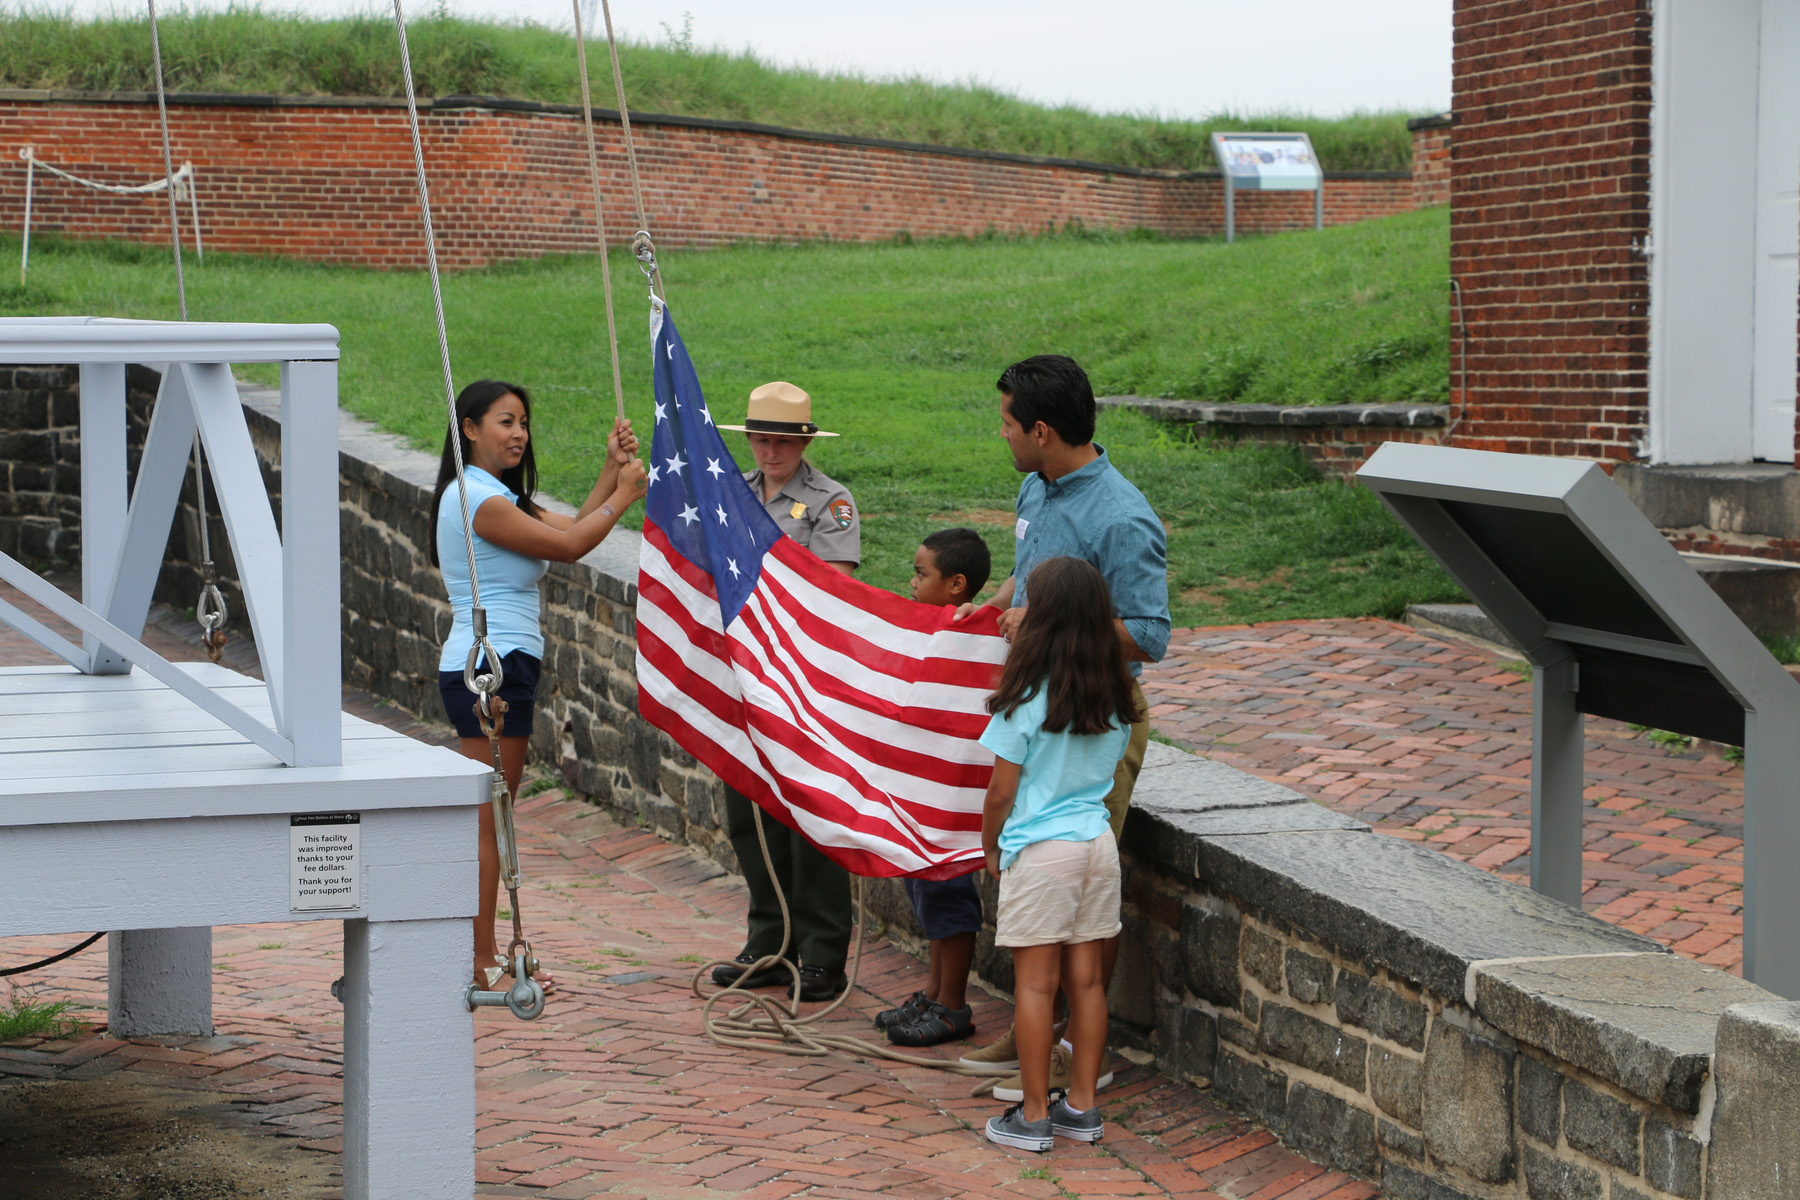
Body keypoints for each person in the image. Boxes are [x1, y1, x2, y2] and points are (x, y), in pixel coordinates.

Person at [955, 353, 1170, 1098]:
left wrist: (1043, 618)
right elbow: (1034, 569)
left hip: (1090, 718)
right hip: (1041, 707)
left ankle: (1076, 1055)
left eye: (1009, 424)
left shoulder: (1124, 516)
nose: (1003, 434)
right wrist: (999, 599)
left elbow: (1150, 633)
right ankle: (1029, 1037)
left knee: (1077, 902)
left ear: (1042, 430)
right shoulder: (1034, 485)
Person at [430, 378, 647, 991]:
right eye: (504, 422)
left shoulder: (497, 495)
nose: (519, 433)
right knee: (489, 818)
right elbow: (577, 546)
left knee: (493, 813)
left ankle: (484, 953)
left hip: (502, 662)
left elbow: (571, 524)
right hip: (490, 668)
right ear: (469, 429)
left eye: (523, 421)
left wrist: (610, 470)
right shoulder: (479, 498)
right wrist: (625, 496)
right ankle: (479, 959)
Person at [978, 556, 1142, 1151]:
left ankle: (1031, 1115)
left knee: (1035, 988)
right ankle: (1082, 1108)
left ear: (1039, 618)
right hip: (1097, 846)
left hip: (1041, 851)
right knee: (1088, 985)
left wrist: (989, 845)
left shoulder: (1024, 700)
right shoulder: (1116, 697)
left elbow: (1001, 792)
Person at [710, 381, 861, 1002]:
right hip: (742, 672)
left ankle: (823, 951)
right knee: (748, 814)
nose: (769, 450)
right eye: (760, 438)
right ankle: (769, 943)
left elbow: (833, 588)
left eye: (783, 440)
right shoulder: (732, 495)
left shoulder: (830, 502)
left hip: (803, 677)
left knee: (811, 821)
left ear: (804, 441)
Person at [876, 527, 993, 1048]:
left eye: (922, 574)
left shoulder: (975, 638)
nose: (911, 581)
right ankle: (933, 990)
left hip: (950, 799)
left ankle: (953, 1005)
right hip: (921, 794)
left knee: (948, 895)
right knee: (923, 890)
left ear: (956, 585)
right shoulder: (924, 629)